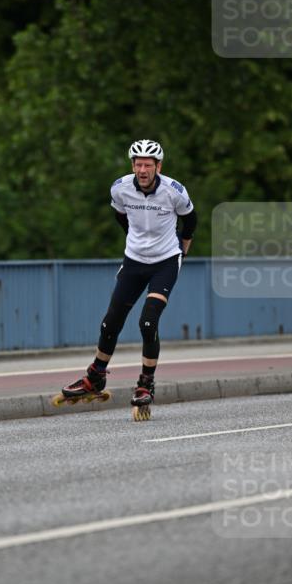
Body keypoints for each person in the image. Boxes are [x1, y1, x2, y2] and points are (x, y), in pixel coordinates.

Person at [61, 138, 197, 409]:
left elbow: (191, 220)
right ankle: (95, 377)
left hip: (165, 262)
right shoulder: (120, 188)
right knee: (111, 322)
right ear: (132, 165)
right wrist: (134, 241)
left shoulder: (174, 192)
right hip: (134, 260)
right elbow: (120, 216)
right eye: (138, 164)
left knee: (147, 322)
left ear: (158, 166)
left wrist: (182, 250)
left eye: (148, 164)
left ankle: (146, 384)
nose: (143, 170)